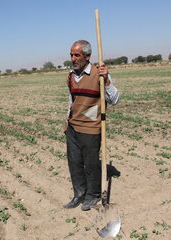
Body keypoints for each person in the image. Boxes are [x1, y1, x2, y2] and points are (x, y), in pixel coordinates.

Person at [63, 40, 119, 211]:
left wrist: (107, 81)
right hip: (73, 127)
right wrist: (67, 120)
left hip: (91, 127)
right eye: (71, 55)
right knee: (74, 163)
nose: (73, 58)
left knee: (91, 164)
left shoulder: (99, 74)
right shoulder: (70, 76)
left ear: (87, 56)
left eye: (77, 55)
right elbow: (72, 100)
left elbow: (115, 99)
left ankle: (93, 195)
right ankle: (79, 194)